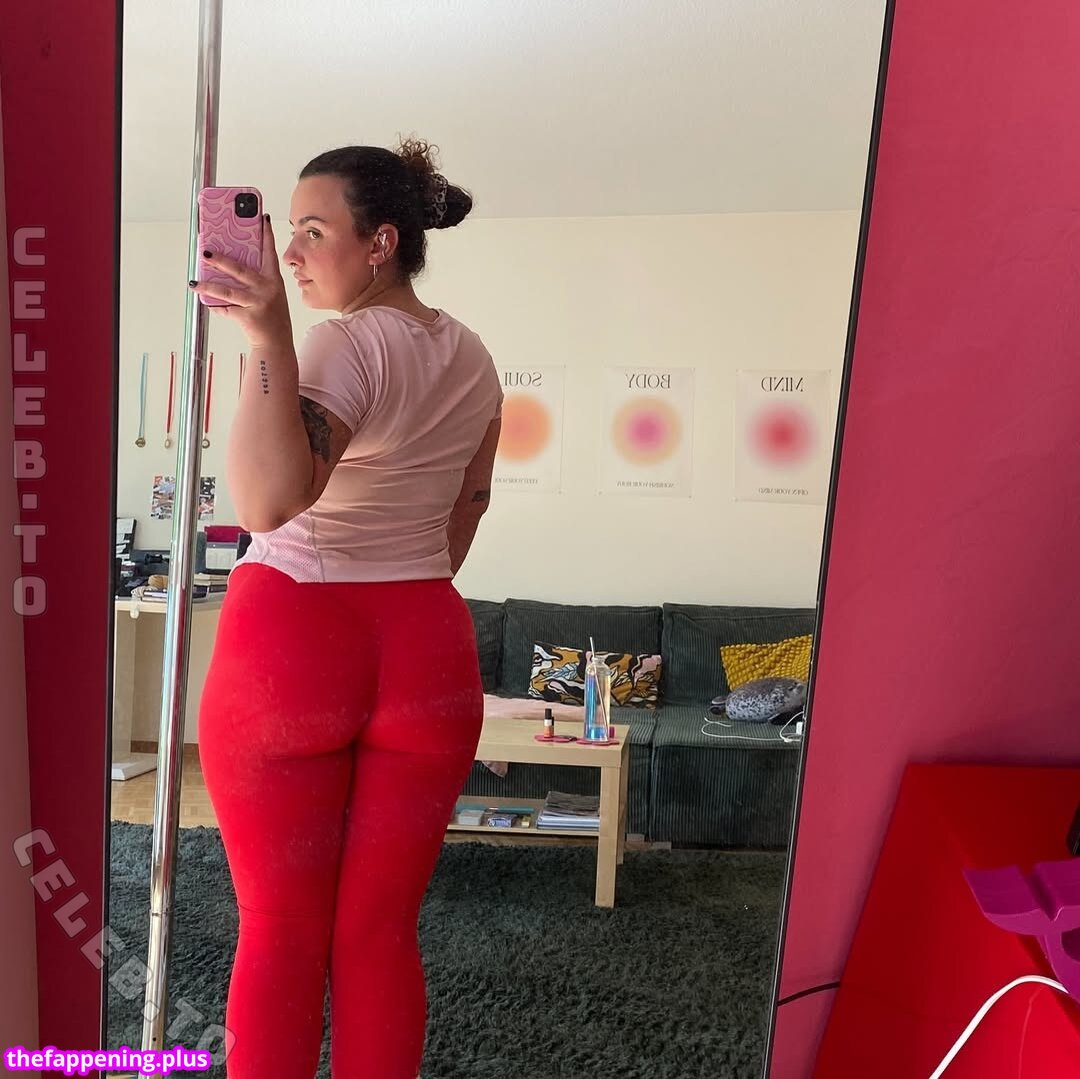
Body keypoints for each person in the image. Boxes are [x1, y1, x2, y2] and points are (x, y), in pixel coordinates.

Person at [193, 138, 502, 1079]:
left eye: (313, 232)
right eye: (288, 232)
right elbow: (468, 507)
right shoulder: (473, 355)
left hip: (294, 639)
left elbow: (266, 502)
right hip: (426, 648)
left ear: (381, 242)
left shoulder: (343, 341)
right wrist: (400, 588)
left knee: (282, 926)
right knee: (379, 931)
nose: (289, 253)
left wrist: (267, 339)